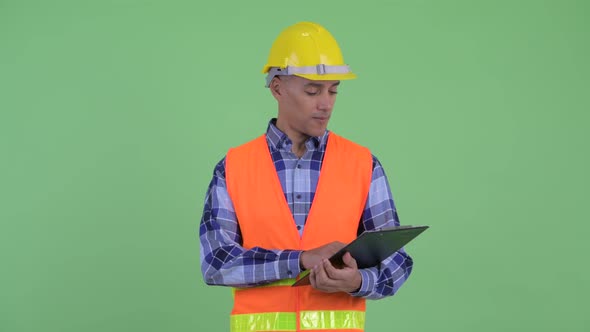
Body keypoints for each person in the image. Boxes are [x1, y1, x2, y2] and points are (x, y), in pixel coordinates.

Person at [199, 21, 413, 332]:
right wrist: (299, 260)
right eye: (312, 90)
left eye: (333, 90)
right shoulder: (233, 167)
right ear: (277, 88)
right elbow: (216, 263)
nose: (326, 103)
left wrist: (358, 281)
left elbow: (398, 262)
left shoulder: (363, 164)